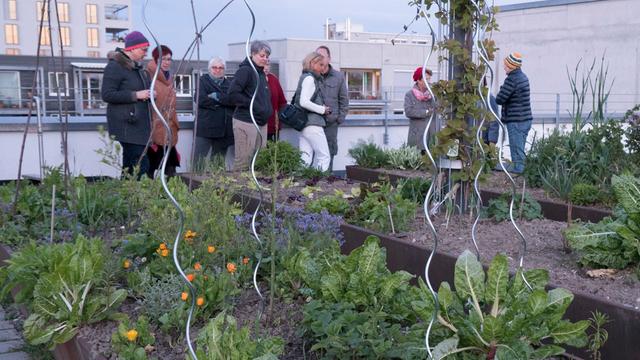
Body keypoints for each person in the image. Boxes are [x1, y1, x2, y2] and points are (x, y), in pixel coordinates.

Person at [101, 30, 152, 178]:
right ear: (132, 48)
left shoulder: (137, 68)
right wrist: (136, 95)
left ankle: (128, 197)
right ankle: (135, 198)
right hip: (127, 126)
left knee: (131, 166)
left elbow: (140, 91)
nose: (145, 53)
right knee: (139, 166)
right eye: (144, 49)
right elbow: (107, 94)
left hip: (138, 125)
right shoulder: (115, 67)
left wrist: (149, 94)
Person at [227, 40, 273, 171]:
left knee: (259, 163)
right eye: (262, 55)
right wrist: (252, 104)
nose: (265, 59)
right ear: (252, 54)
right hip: (246, 122)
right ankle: (239, 190)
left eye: (267, 56)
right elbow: (232, 94)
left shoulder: (261, 74)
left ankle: (256, 190)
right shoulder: (245, 71)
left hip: (260, 123)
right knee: (243, 163)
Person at [145, 45, 180, 177]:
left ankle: (169, 194)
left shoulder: (168, 78)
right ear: (155, 60)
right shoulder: (149, 77)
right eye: (162, 59)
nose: (166, 62)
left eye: (169, 59)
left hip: (169, 129)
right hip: (155, 129)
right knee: (151, 168)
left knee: (170, 169)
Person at [495, 52, 532, 174]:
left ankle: (518, 177)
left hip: (516, 120)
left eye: (505, 65)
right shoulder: (523, 77)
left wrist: (501, 89)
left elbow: (499, 99)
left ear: (511, 66)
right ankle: (520, 174)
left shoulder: (512, 80)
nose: (504, 67)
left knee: (516, 151)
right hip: (525, 119)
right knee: (520, 149)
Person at [195, 57, 234, 169]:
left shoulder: (229, 84)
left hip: (223, 131)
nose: (217, 70)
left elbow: (233, 101)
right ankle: (195, 186)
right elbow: (199, 99)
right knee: (198, 162)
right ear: (209, 69)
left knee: (218, 163)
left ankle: (215, 186)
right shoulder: (202, 81)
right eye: (214, 67)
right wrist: (223, 101)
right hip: (205, 129)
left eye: (220, 68)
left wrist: (216, 96)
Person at [295, 52, 331, 171]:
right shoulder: (310, 79)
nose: (323, 68)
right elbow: (304, 102)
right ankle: (318, 183)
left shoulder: (304, 77)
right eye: (321, 65)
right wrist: (322, 109)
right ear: (312, 63)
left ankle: (301, 184)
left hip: (304, 125)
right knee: (324, 156)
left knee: (304, 159)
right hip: (313, 124)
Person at [316, 45, 349, 171]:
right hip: (314, 122)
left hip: (331, 123)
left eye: (322, 56)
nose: (320, 59)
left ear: (329, 59)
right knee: (315, 153)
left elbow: (344, 100)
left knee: (330, 152)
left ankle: (326, 180)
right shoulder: (312, 76)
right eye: (317, 56)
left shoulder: (338, 77)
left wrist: (339, 119)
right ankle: (313, 180)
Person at [404, 67, 436, 150]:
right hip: (417, 137)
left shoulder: (433, 94)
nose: (428, 82)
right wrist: (425, 112)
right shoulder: (410, 95)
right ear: (418, 80)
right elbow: (409, 112)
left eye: (429, 79)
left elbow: (440, 108)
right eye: (426, 79)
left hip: (432, 135)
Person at [264, 60, 287, 141]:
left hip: (273, 124)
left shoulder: (274, 79)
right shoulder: (255, 78)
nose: (266, 68)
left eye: (267, 65)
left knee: (273, 150)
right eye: (264, 65)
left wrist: (279, 118)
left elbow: (283, 101)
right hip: (259, 124)